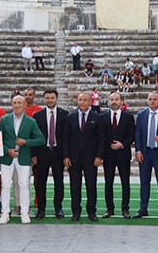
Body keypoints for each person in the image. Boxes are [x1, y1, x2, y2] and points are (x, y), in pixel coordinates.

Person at [0, 95, 45, 224]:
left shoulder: (31, 121)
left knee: (24, 185)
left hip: (23, 158)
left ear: (24, 105)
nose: (16, 105)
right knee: (5, 185)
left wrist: (26, 142)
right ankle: (5, 213)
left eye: (19, 103)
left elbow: (41, 139)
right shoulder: (4, 120)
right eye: (14, 103)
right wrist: (8, 150)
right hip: (7, 158)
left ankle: (24, 212)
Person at [63, 93, 105, 222]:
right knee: (75, 186)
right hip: (74, 158)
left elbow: (101, 139)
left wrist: (99, 156)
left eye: (85, 100)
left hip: (91, 158)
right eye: (80, 100)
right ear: (77, 101)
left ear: (90, 102)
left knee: (91, 185)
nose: (82, 102)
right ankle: (76, 212)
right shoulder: (70, 117)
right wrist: (65, 156)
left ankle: (91, 212)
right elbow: (65, 138)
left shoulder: (97, 118)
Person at [32, 89, 68, 219]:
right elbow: (34, 135)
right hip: (42, 153)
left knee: (59, 182)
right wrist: (33, 154)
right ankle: (41, 209)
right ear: (44, 99)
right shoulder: (38, 115)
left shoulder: (65, 114)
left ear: (57, 98)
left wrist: (66, 155)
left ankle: (58, 208)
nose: (50, 100)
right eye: (47, 98)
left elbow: (66, 137)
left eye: (52, 98)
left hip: (58, 153)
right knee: (41, 182)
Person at [134, 92, 158, 220]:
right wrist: (138, 151)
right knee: (144, 182)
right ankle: (143, 209)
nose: (152, 101)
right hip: (145, 153)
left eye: (155, 99)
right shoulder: (141, 114)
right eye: (150, 99)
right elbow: (137, 133)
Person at [99, 92, 135, 219]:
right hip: (108, 155)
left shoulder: (128, 117)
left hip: (123, 154)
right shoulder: (102, 117)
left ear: (121, 101)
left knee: (125, 182)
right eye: (112, 99)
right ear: (108, 101)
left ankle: (125, 209)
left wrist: (122, 144)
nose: (114, 101)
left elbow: (132, 135)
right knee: (108, 182)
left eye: (116, 99)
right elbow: (101, 136)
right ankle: (110, 209)